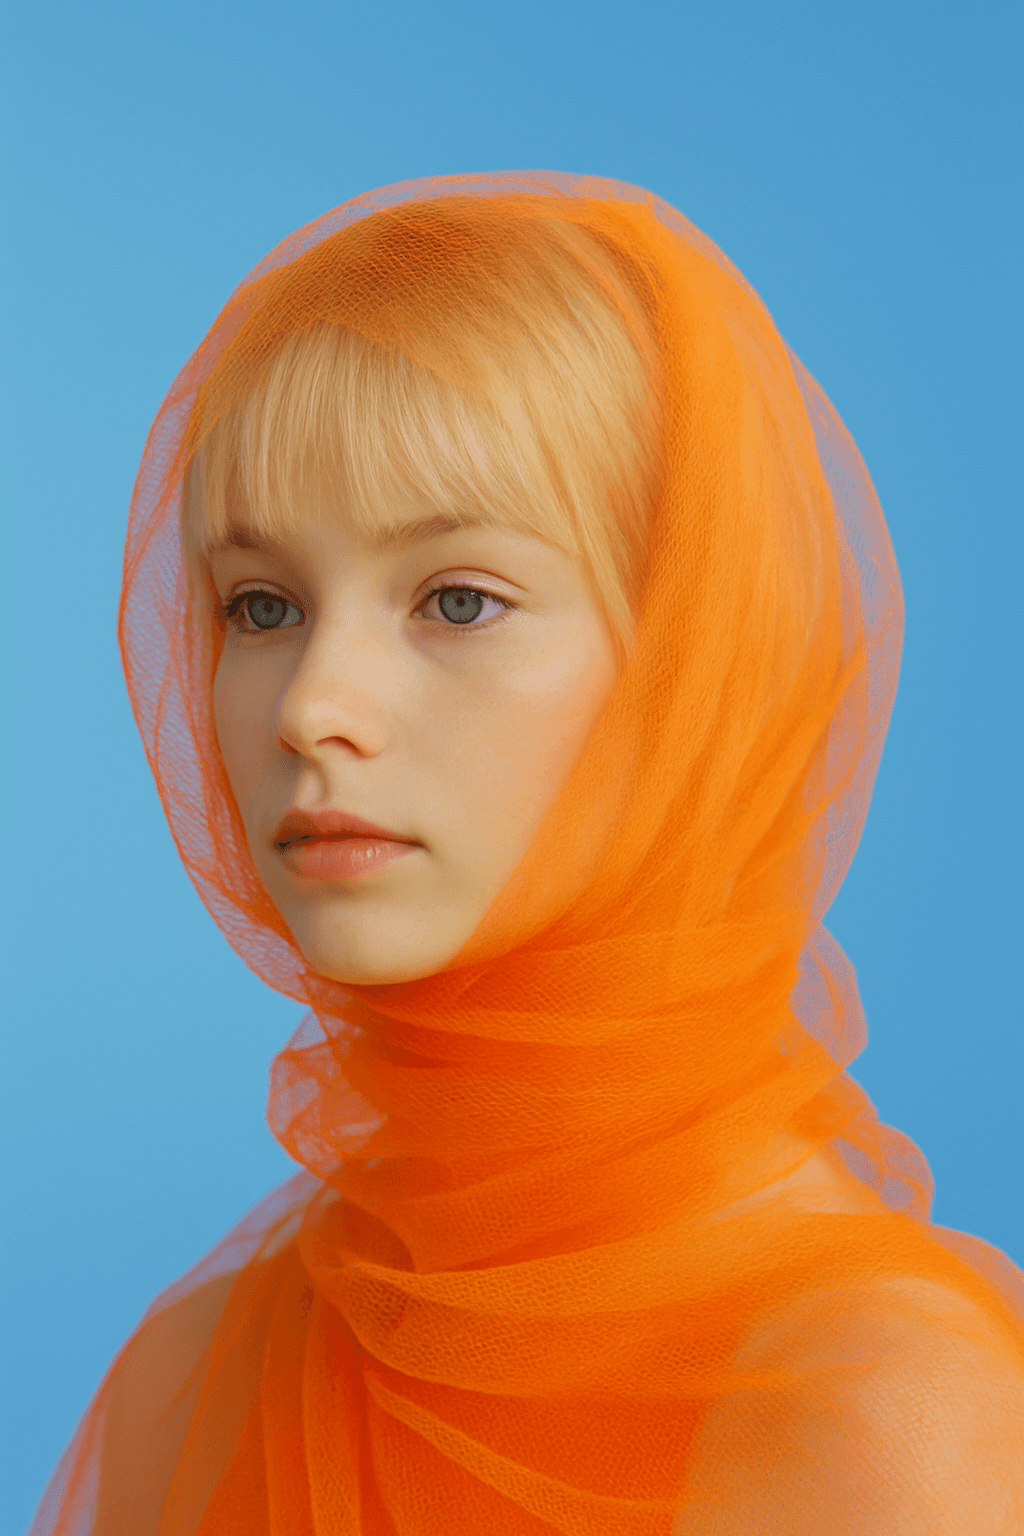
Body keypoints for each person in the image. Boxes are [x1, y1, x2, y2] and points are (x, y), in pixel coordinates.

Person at [32, 173, 1024, 1536]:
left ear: (691, 666)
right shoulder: (194, 1376)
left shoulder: (885, 1419)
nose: (314, 706)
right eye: (260, 604)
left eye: (458, 599)